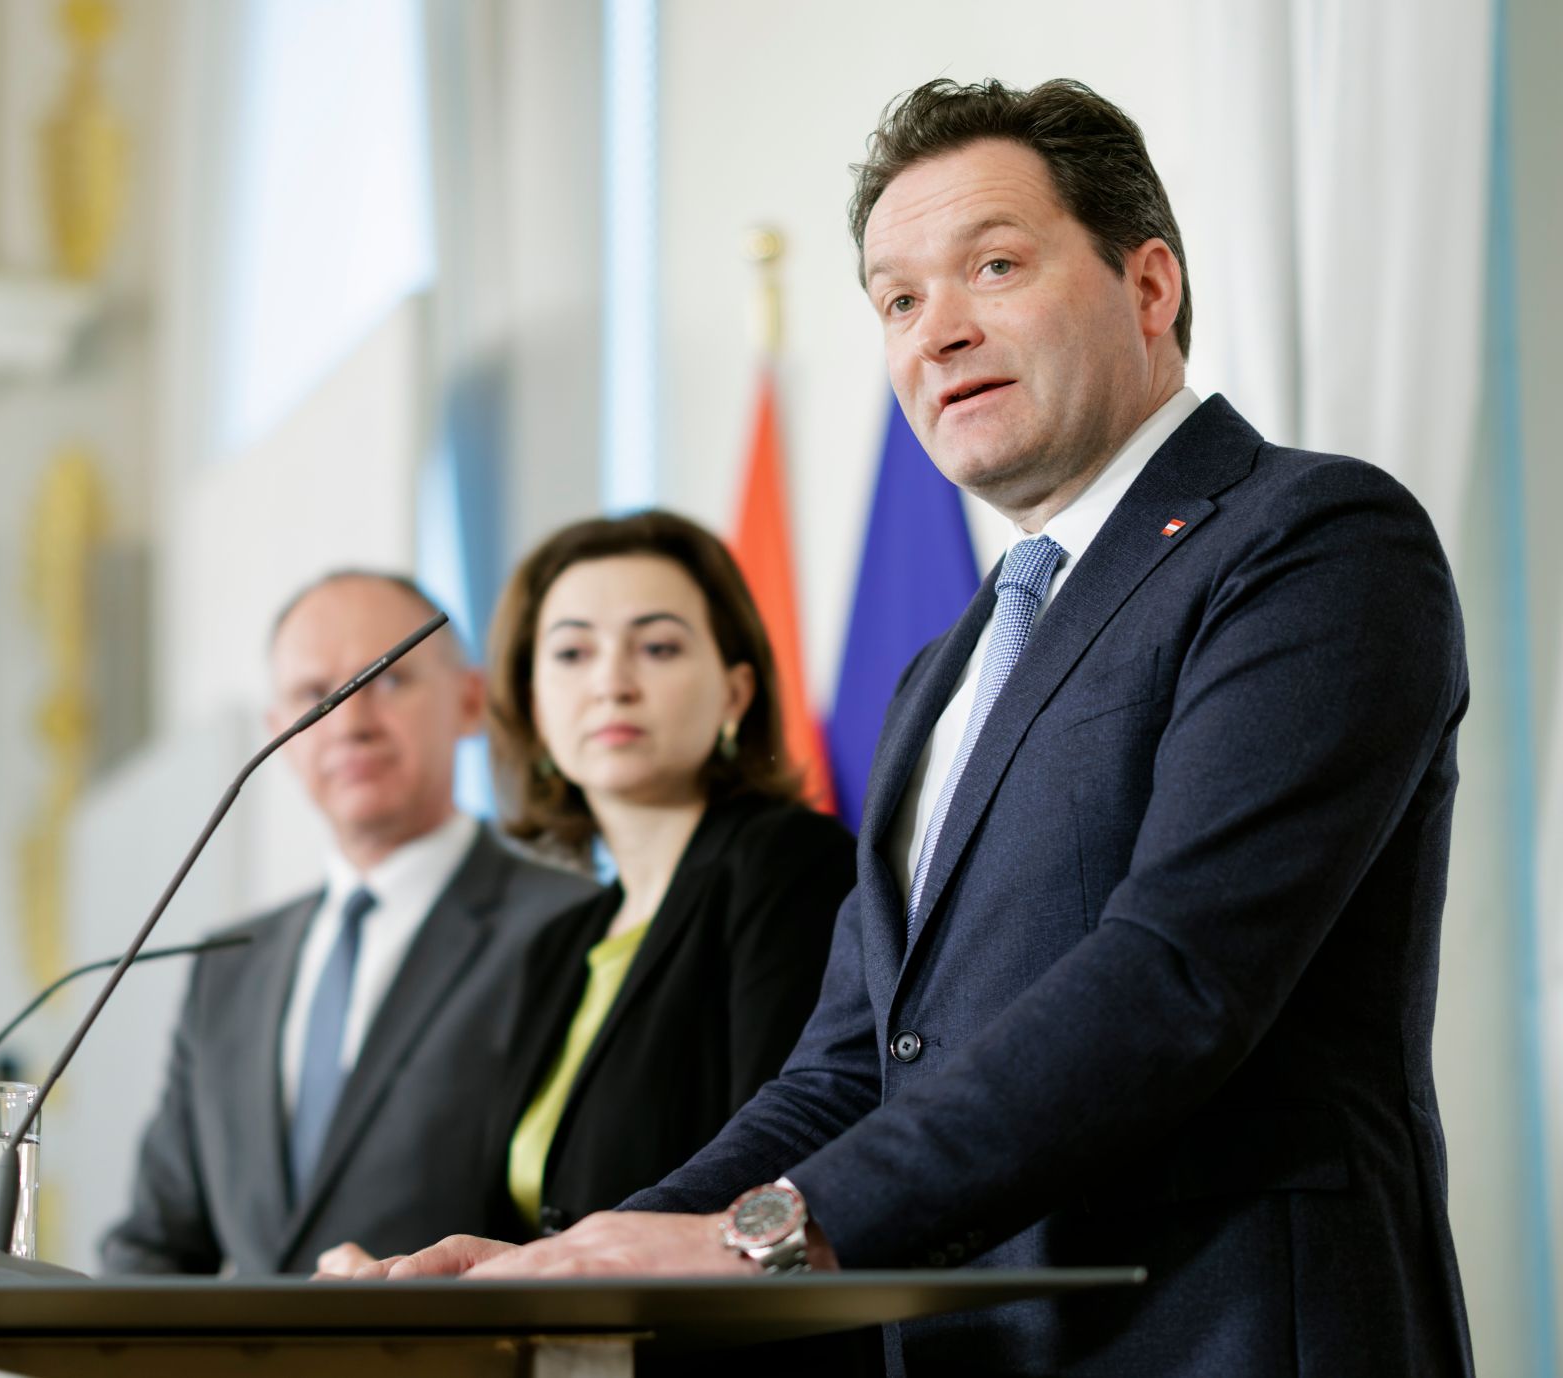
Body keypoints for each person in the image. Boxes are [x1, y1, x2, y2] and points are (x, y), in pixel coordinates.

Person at [344, 79, 1475, 1378]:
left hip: (1223, 1334)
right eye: (896, 299)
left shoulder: (1308, 541)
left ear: (1147, 286)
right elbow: (849, 1062)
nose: (937, 333)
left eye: (991, 266)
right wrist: (596, 1245)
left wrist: (773, 1232)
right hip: (976, 1348)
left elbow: (1179, 977)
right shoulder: (942, 669)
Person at [321, 511, 855, 1271]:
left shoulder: (787, 865)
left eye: (659, 646)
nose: (611, 682)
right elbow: (521, 1228)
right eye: (572, 652)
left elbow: (791, 1159)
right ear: (534, 705)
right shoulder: (563, 943)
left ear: (736, 693)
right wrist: (402, 1273)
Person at [101, 572, 597, 1276]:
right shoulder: (229, 964)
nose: (352, 720)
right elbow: (153, 1246)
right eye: (314, 695)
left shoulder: (572, 924)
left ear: (468, 702)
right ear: (278, 732)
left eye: (388, 681)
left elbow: (601, 1226)